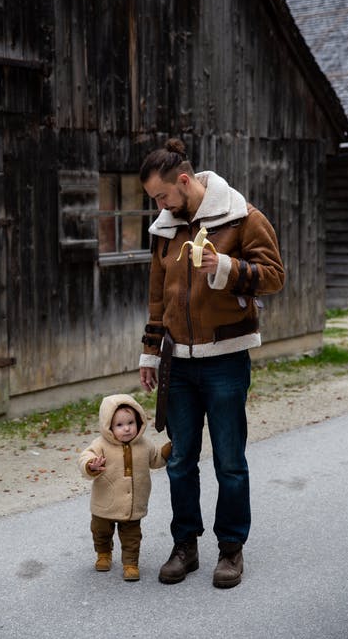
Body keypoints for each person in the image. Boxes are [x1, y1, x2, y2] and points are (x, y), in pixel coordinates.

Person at [139, 138, 285, 588]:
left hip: (225, 360)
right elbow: (158, 295)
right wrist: (150, 350)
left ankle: (231, 550)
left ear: (184, 181)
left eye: (162, 196)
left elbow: (275, 276)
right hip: (177, 364)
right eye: (154, 201)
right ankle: (186, 546)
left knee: (229, 460)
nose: (159, 206)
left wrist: (224, 267)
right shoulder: (166, 227)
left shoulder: (242, 216)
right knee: (181, 460)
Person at [78, 393, 171, 581]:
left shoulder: (144, 445)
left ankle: (130, 563)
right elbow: (84, 457)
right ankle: (103, 554)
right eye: (119, 425)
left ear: (139, 422)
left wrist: (167, 451)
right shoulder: (101, 444)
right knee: (100, 531)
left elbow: (157, 460)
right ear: (109, 427)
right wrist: (91, 465)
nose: (127, 428)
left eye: (131, 422)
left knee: (132, 537)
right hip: (105, 503)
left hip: (132, 505)